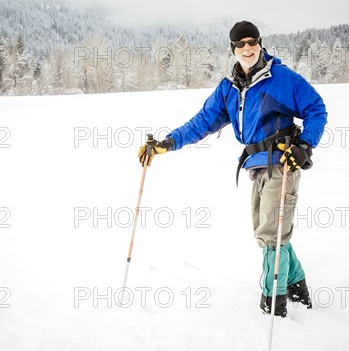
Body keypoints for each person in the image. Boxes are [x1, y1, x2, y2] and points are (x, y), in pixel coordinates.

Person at [138, 21, 328, 317]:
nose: (247, 48)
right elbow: (202, 122)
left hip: (282, 164)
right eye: (241, 44)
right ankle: (297, 286)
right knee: (270, 232)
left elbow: (316, 109)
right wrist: (169, 142)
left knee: (271, 233)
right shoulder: (229, 87)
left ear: (260, 44)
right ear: (233, 49)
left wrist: (304, 144)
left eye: (252, 42)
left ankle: (273, 303)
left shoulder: (281, 78)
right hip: (256, 166)